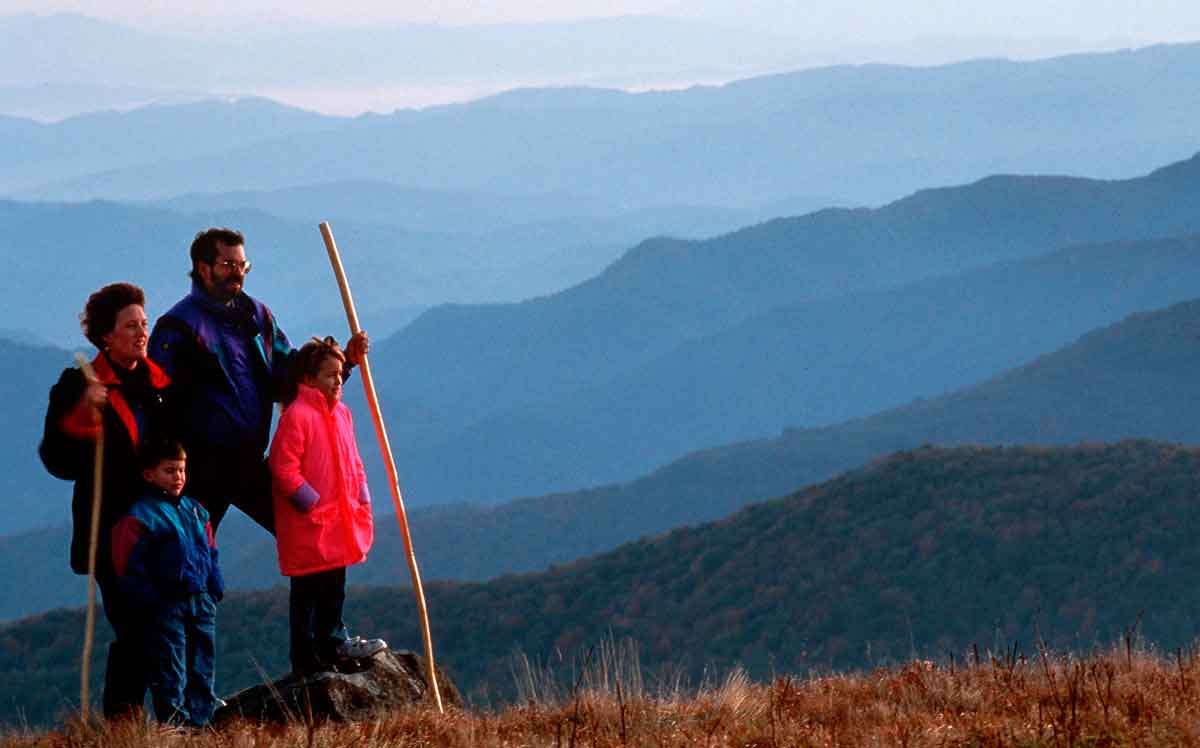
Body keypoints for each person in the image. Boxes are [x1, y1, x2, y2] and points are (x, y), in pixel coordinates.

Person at [148, 227, 368, 533]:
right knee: (188, 551)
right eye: (228, 265)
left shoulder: (256, 315)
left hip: (249, 460)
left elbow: (289, 373)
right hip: (200, 469)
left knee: (304, 531)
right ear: (203, 268)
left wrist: (345, 361)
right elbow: (155, 400)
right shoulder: (178, 328)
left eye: (242, 266)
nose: (237, 273)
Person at [39, 282, 174, 719]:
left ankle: (159, 716)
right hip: (112, 530)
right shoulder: (79, 384)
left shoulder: (156, 383)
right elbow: (56, 459)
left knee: (162, 625)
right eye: (130, 325)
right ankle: (125, 721)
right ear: (105, 335)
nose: (141, 333)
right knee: (136, 627)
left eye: (144, 324)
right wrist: (82, 414)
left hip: (159, 527)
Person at [269, 337, 385, 675]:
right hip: (311, 522)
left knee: (334, 586)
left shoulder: (342, 414)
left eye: (339, 375)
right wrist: (309, 502)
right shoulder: (297, 416)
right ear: (308, 380)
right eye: (329, 375)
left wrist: (360, 494)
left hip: (340, 518)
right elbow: (282, 466)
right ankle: (306, 658)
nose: (337, 381)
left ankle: (333, 642)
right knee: (307, 591)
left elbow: (354, 460)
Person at [111, 440, 224, 728]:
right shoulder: (140, 516)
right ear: (149, 474)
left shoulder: (196, 510)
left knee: (202, 665)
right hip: (165, 605)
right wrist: (149, 601)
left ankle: (202, 721)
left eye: (182, 470)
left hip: (200, 600)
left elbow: (210, 550)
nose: (178, 477)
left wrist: (214, 586)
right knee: (170, 668)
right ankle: (175, 727)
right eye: (169, 471)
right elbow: (129, 565)